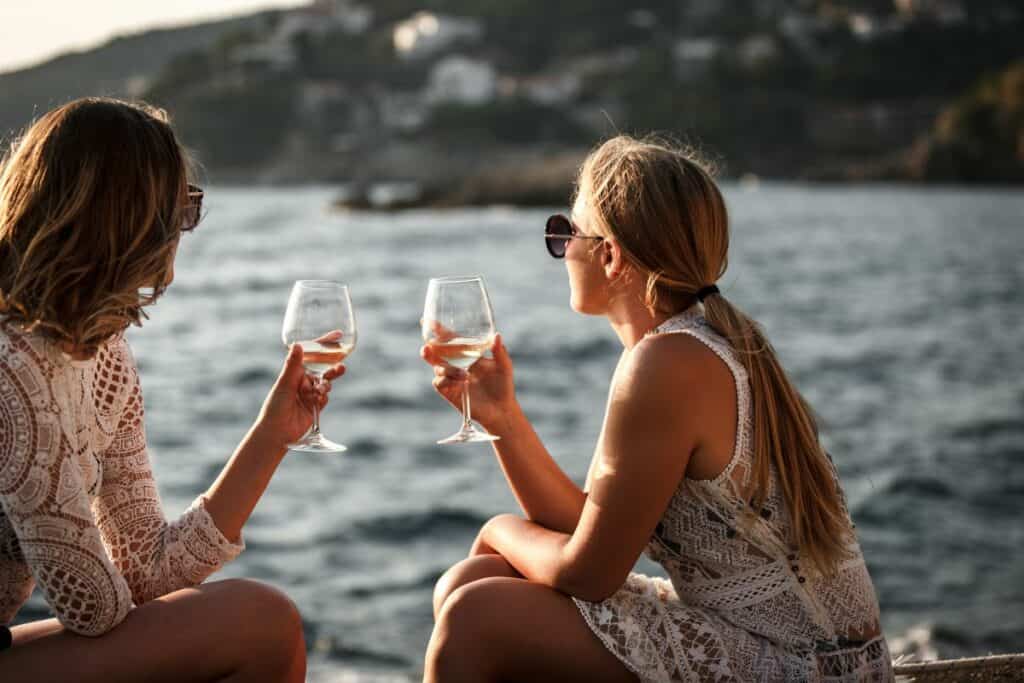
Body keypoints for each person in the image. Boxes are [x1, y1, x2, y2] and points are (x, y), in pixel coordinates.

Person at [421, 135, 893, 682]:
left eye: (564, 233)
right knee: (471, 581)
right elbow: (593, 528)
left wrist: (500, 527)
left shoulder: (668, 363)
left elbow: (590, 572)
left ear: (610, 254)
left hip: (809, 666)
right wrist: (502, 417)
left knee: (474, 616)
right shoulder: (700, 342)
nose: (562, 250)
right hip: (794, 647)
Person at [0, 98, 344, 681]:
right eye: (183, 208)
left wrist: (270, 438)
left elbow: (142, 570)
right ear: (132, 221)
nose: (184, 229)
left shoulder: (101, 353)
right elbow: (93, 608)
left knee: (260, 622)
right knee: (259, 623)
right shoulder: (14, 364)